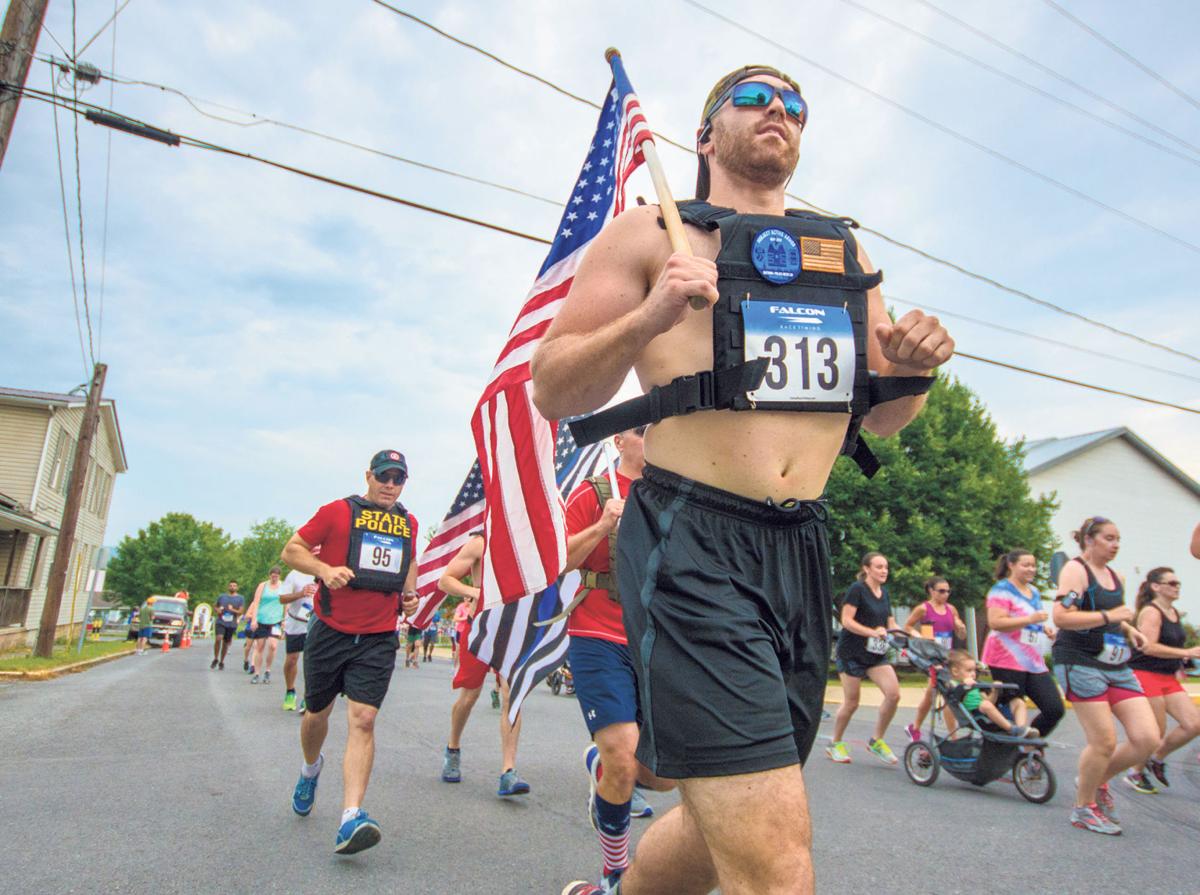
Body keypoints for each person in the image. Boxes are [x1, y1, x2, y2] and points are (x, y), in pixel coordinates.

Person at [536, 63, 952, 895]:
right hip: (694, 540)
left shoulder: (841, 246)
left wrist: (913, 370)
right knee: (775, 861)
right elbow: (554, 384)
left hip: (800, 547)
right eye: (755, 98)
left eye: (794, 104)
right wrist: (651, 315)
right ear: (704, 134)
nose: (778, 111)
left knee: (711, 817)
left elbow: (880, 415)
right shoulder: (651, 232)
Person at [280, 449, 420, 855]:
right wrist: (324, 570)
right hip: (331, 630)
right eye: (384, 477)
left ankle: (351, 817)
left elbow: (407, 565)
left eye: (398, 479)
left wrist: (409, 596)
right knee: (316, 715)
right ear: (369, 476)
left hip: (377, 635)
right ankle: (310, 770)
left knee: (364, 719)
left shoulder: (408, 522)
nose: (390, 485)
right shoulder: (337, 512)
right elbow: (292, 550)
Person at [563, 427, 674, 882]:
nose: (652, 437)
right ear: (619, 443)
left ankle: (600, 764)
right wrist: (603, 525)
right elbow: (559, 560)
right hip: (596, 632)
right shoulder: (594, 493)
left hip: (651, 641)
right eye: (641, 431)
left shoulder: (672, 499)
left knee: (663, 777)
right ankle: (615, 872)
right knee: (624, 761)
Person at [1052, 516, 1158, 835]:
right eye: (1109, 538)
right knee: (1104, 742)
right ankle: (1083, 808)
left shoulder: (1116, 575)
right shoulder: (1075, 570)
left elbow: (1110, 617)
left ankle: (1094, 780)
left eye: (1118, 539)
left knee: (1147, 738)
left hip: (1116, 664)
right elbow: (1061, 616)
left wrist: (1129, 628)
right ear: (1089, 540)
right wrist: (1112, 616)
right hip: (1079, 661)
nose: (1115, 545)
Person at [437, 532, 530, 797]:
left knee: (512, 695)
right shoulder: (480, 542)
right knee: (470, 696)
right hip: (480, 626)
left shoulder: (525, 542)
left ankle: (508, 771)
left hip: (513, 626)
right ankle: (453, 747)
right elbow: (445, 580)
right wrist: (475, 591)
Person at [1124, 568, 1200, 794]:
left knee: (1194, 723)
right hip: (1145, 674)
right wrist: (1185, 653)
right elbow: (1147, 646)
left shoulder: (1173, 612)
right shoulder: (1151, 612)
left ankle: (1156, 758)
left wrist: (1179, 664)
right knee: (1155, 730)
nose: (1177, 586)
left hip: (1167, 677)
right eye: (1172, 582)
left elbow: (1171, 646)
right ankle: (1134, 772)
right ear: (1156, 586)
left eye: (1178, 583)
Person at [980, 549, 1065, 740]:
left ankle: (1028, 742)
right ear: (1011, 565)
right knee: (1011, 706)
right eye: (1025, 565)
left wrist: (1044, 628)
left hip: (1032, 660)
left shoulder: (1033, 591)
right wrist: (1030, 619)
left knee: (1054, 708)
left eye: (1033, 565)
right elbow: (996, 622)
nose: (1031, 569)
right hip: (1005, 658)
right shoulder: (1001, 590)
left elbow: (1032, 619)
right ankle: (1010, 746)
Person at [828, 552, 901, 765]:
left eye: (886, 567)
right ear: (867, 569)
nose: (884, 570)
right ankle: (835, 743)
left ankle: (876, 740)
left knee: (894, 694)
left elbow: (889, 622)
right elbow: (846, 621)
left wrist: (907, 634)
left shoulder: (884, 593)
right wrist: (872, 632)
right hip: (851, 653)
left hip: (875, 655)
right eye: (879, 567)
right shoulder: (857, 590)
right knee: (852, 702)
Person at [903, 577, 967, 741]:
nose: (945, 594)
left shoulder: (951, 609)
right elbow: (908, 626)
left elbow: (960, 633)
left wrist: (960, 628)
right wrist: (919, 636)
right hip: (932, 656)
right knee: (947, 694)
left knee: (932, 694)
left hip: (947, 656)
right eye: (941, 591)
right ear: (931, 591)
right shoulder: (923, 609)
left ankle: (914, 728)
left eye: (948, 591)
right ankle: (953, 738)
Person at [945, 650, 1036, 736]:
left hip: (989, 712)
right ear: (955, 671)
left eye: (974, 670)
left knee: (1018, 702)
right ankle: (1012, 729)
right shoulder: (952, 684)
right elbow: (950, 696)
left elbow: (989, 702)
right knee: (985, 705)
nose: (973, 674)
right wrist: (964, 685)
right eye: (969, 670)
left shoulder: (977, 685)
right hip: (975, 715)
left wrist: (994, 690)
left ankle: (1021, 730)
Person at [280, 558, 317, 712]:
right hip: (296, 622)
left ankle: (308, 698)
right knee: (292, 659)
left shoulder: (325, 572)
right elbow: (282, 598)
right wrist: (301, 593)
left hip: (316, 623)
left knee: (313, 660)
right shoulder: (295, 574)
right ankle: (290, 691)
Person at [245, 567, 285, 684]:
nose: (274, 578)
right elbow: (256, 602)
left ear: (279, 576)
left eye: (276, 576)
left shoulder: (283, 586)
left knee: (273, 646)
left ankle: (267, 670)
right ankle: (257, 673)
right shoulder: (262, 586)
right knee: (260, 646)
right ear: (269, 576)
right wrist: (254, 619)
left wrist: (284, 620)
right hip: (262, 619)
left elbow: (286, 603)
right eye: (272, 576)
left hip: (276, 620)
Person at [211, 580, 244, 670]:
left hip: (231, 624)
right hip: (221, 621)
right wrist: (217, 610)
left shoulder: (240, 598)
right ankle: (215, 658)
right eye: (231, 585)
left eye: (234, 586)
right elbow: (215, 606)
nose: (232, 587)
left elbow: (241, 612)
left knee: (225, 643)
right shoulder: (222, 597)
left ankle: (222, 661)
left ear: (237, 587)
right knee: (218, 638)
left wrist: (232, 609)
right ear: (228, 587)